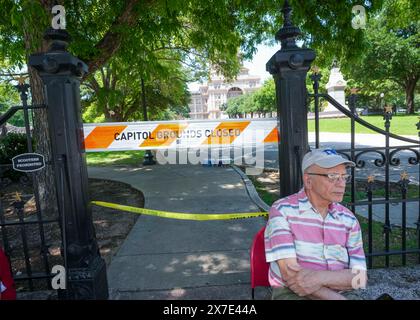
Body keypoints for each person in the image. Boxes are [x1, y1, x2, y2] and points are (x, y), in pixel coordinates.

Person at [264, 148, 367, 300]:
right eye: (332, 176)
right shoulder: (282, 211)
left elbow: (359, 278)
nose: (341, 184)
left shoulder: (348, 219)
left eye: (344, 176)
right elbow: (290, 275)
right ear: (308, 181)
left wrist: (319, 278)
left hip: (343, 292)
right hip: (292, 293)